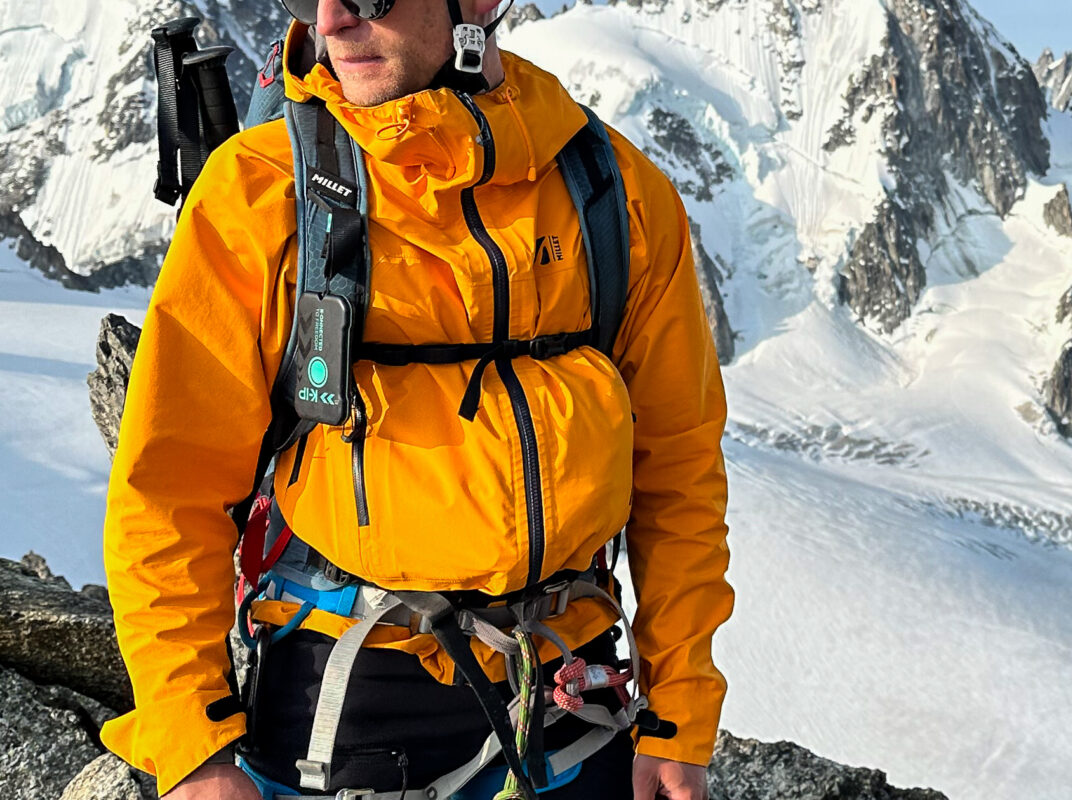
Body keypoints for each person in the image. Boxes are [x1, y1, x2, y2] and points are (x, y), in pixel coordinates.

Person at [98, 0, 734, 798]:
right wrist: (195, 749)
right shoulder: (257, 197)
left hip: (572, 690)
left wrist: (679, 711)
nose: (330, 21)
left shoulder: (614, 192)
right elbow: (169, 490)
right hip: (347, 695)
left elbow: (677, 470)